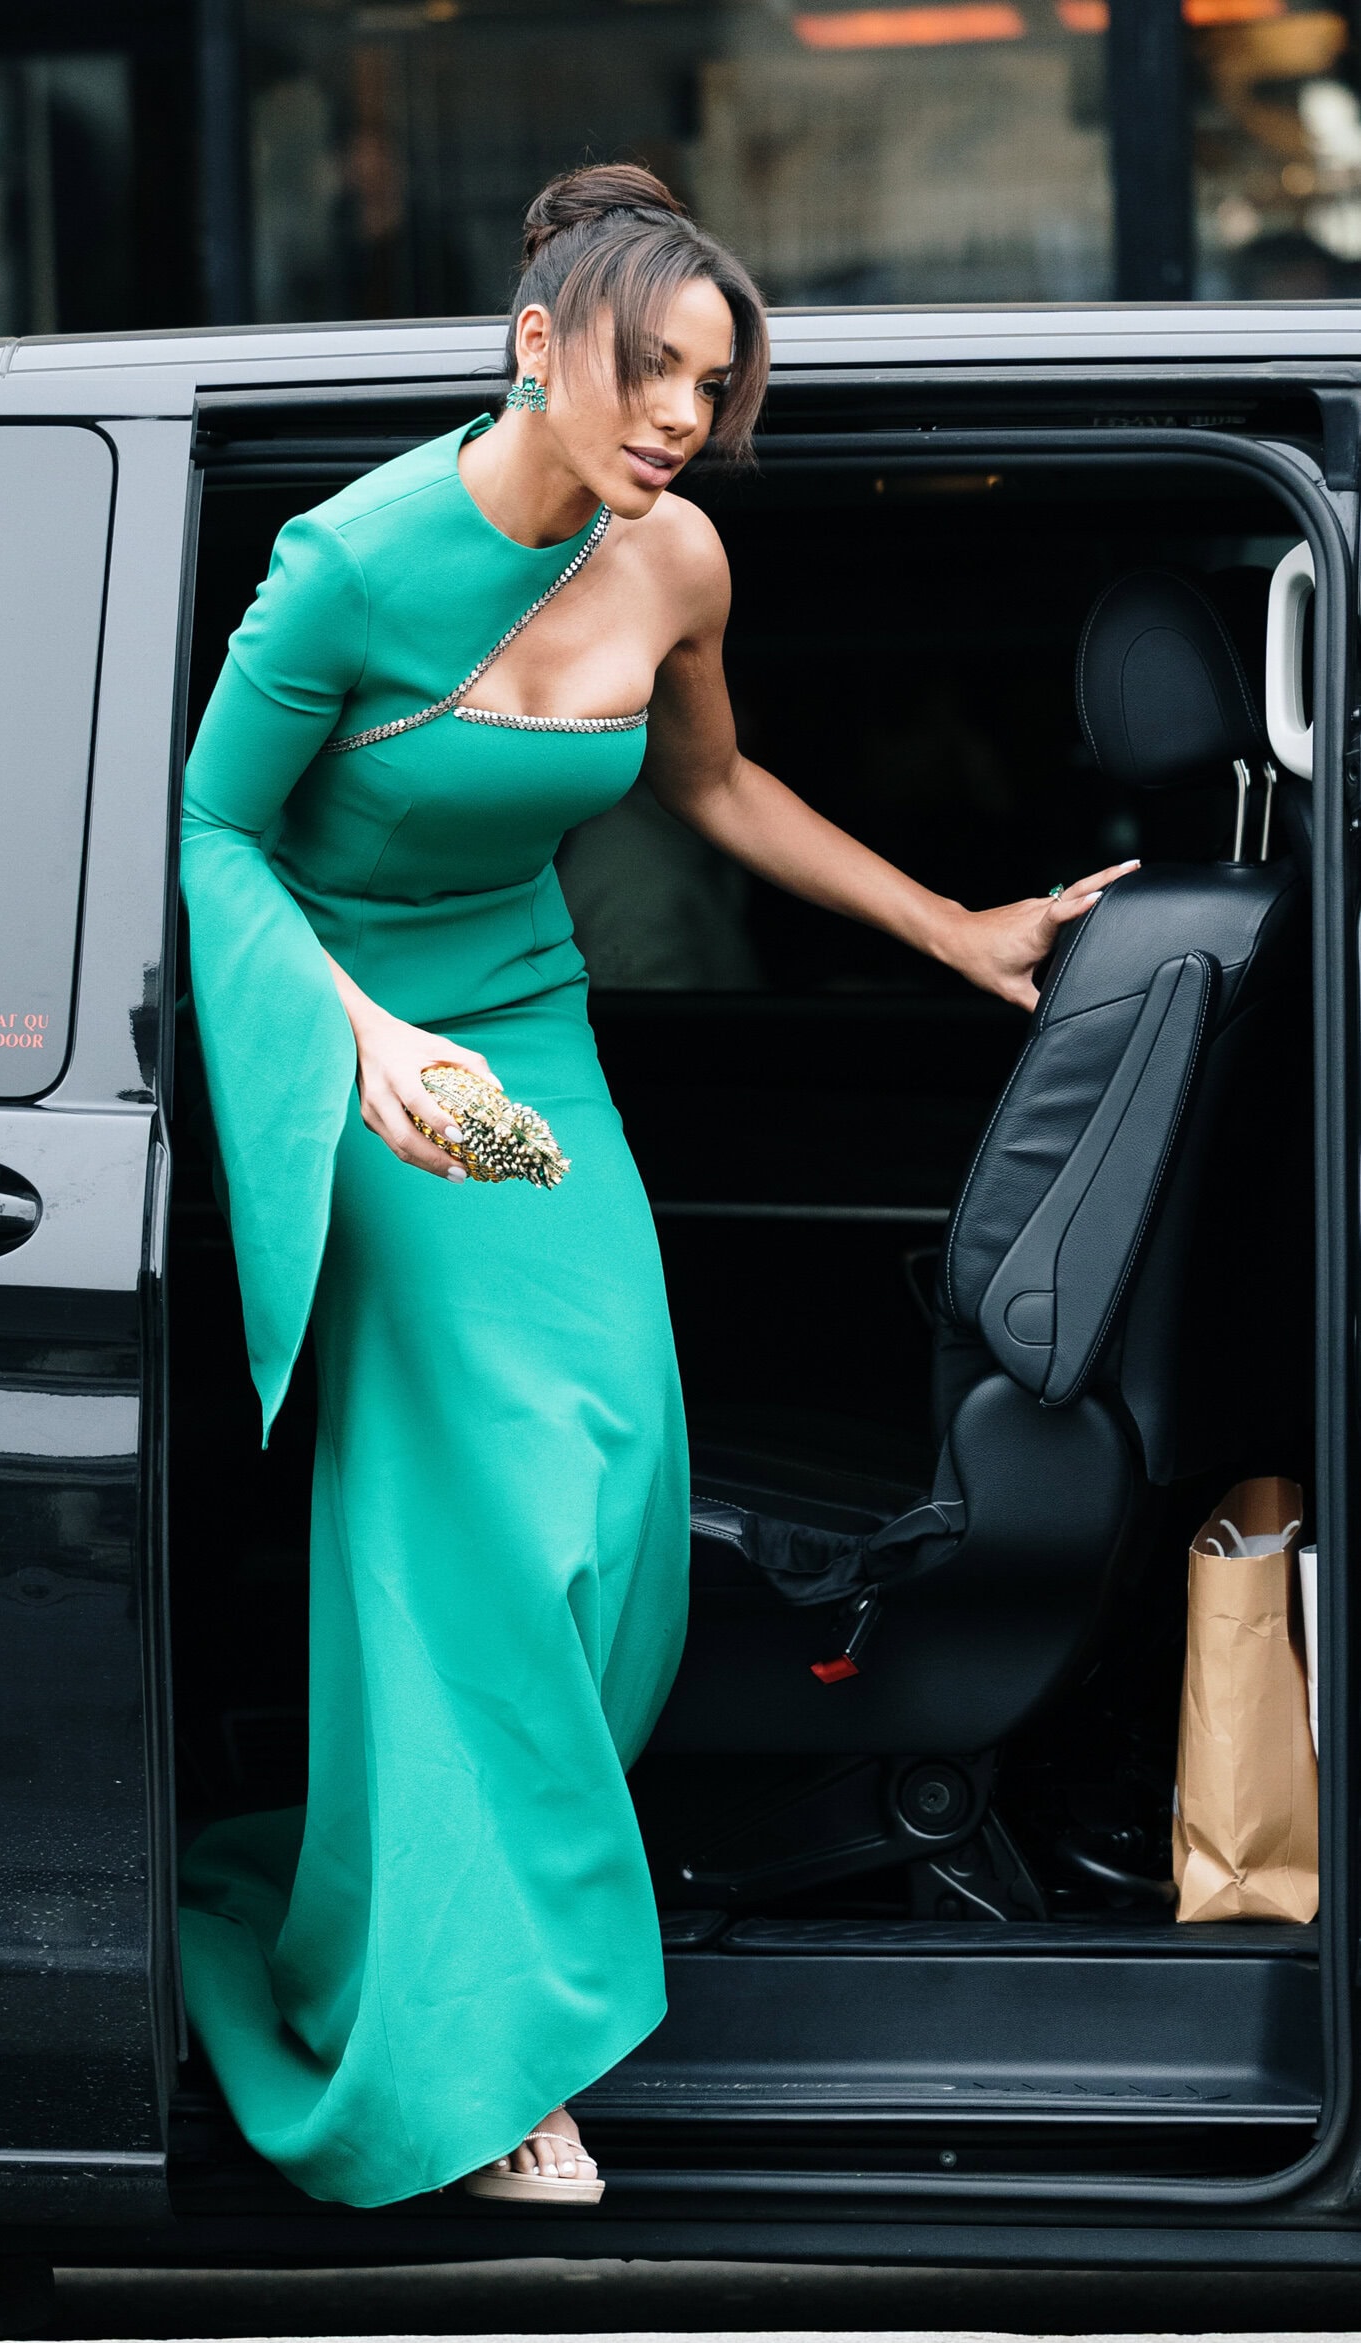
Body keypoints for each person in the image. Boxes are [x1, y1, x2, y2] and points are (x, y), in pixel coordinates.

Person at [177, 163, 1132, 2211]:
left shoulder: (673, 555)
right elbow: (210, 834)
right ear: (538, 344)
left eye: (714, 385)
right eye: (654, 372)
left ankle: (445, 1905)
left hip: (525, 1051)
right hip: (377, 1066)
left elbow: (708, 783)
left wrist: (952, 929)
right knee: (489, 1530)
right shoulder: (345, 564)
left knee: (613, 1511)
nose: (685, 418)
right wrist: (354, 1039)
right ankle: (479, 2056)